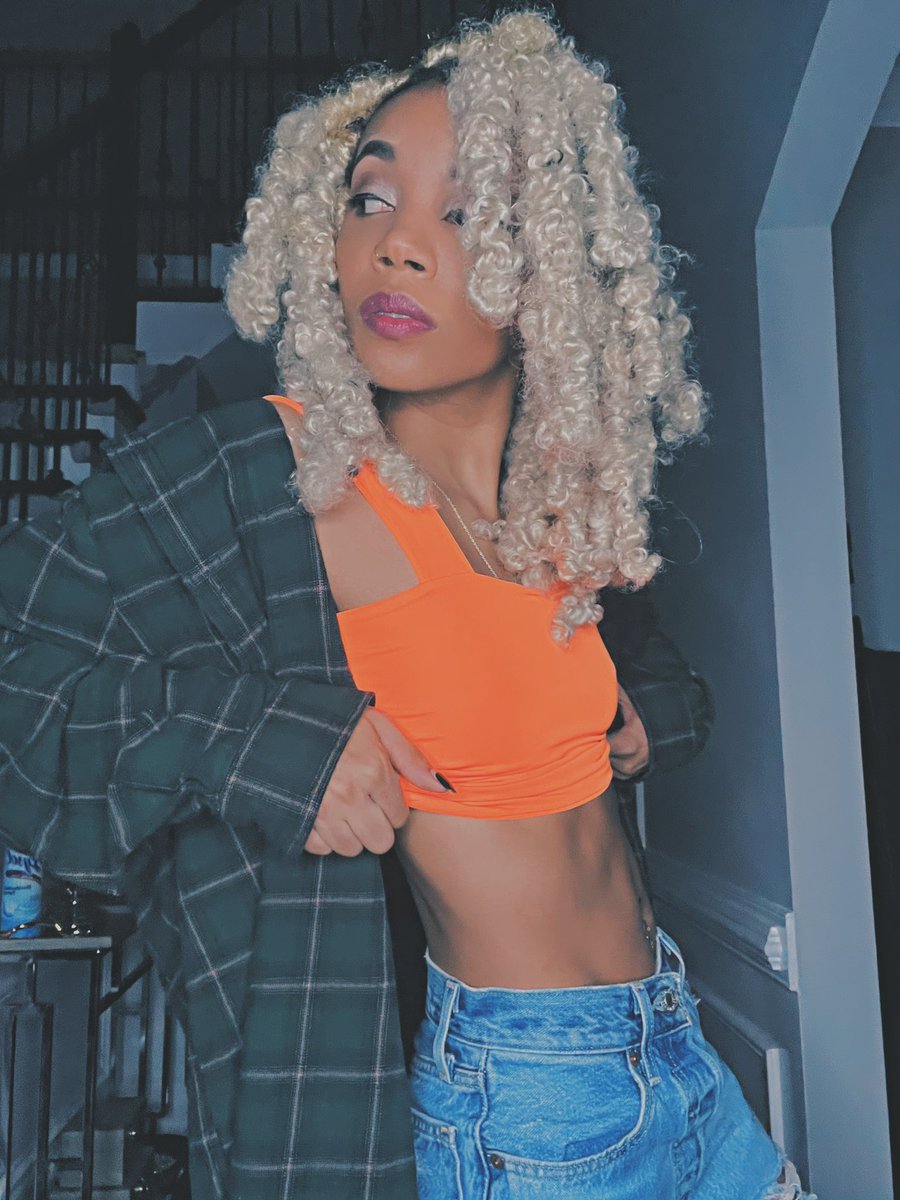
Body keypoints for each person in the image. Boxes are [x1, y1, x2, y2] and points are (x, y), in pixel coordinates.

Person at [0, 10, 811, 1200]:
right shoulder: (270, 475)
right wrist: (275, 745)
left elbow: (651, 672)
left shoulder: (555, 501)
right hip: (524, 1108)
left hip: (681, 1052)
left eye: (466, 214)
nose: (398, 248)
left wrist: (647, 713)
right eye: (370, 200)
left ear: (550, 272)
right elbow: (21, 676)